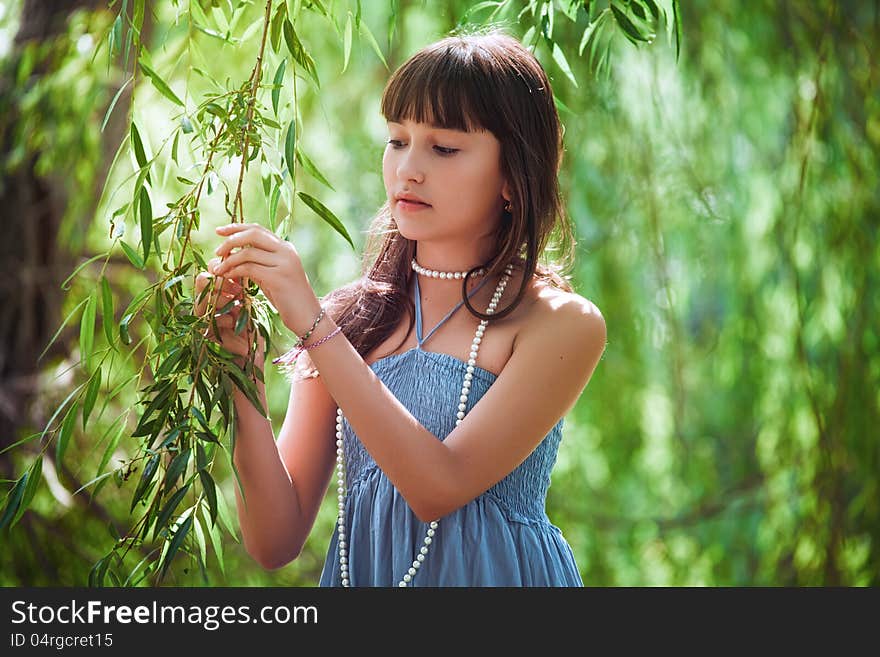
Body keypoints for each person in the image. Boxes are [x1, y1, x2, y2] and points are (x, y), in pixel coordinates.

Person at [194, 29, 606, 587]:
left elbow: (440, 485)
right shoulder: (351, 321)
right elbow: (274, 539)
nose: (408, 168)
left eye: (444, 148)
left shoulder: (560, 323)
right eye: (396, 140)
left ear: (513, 175)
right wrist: (242, 371)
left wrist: (313, 326)